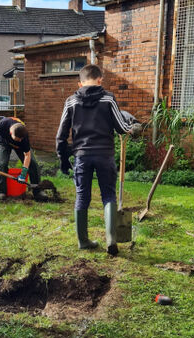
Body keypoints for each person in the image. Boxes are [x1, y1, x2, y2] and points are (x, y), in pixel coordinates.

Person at [56, 64, 140, 255]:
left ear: (80, 83)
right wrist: (132, 126)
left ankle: (83, 241)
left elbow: (61, 134)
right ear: (100, 80)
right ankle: (111, 240)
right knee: (108, 195)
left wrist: (62, 157)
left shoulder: (70, 101)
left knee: (82, 196)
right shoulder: (108, 98)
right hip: (104, 155)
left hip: (81, 156)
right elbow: (120, 126)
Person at [0, 117, 47, 201]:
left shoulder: (23, 137)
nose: (20, 140)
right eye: (18, 139)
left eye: (21, 139)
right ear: (11, 132)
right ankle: (1, 192)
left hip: (19, 147)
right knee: (2, 164)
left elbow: (27, 155)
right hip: (3, 141)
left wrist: (23, 174)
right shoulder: (1, 126)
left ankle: (38, 191)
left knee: (32, 163)